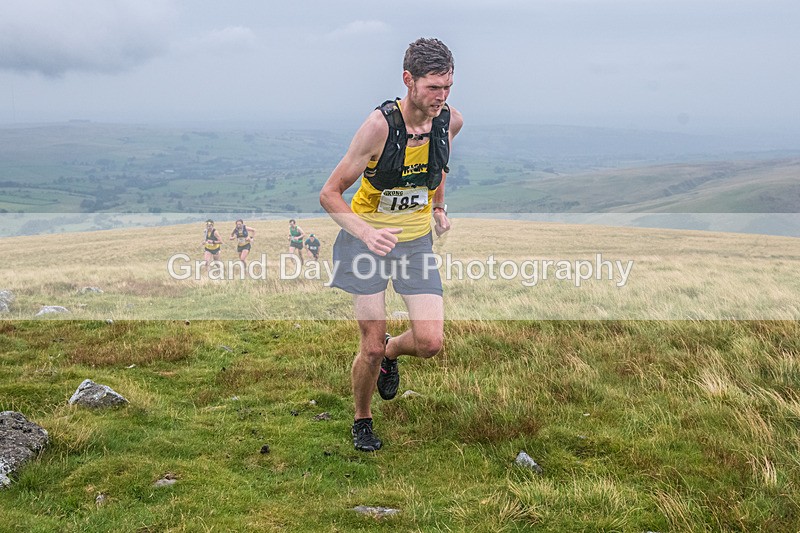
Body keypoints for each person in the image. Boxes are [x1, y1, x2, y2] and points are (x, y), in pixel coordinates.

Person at [320, 38, 463, 452]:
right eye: (433, 87)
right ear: (408, 80)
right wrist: (365, 233)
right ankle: (362, 420)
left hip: (415, 242)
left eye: (448, 86)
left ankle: (392, 354)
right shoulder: (379, 127)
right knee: (368, 342)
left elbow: (440, 162)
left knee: (431, 342)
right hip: (366, 244)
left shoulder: (449, 120)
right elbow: (330, 193)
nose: (441, 97)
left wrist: (438, 207)